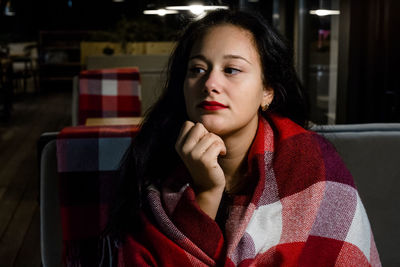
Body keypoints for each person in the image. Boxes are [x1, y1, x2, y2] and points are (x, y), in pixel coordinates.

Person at [103, 9, 381, 266]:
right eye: (197, 70)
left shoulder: (312, 165)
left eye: (231, 70)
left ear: (267, 91)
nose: (210, 84)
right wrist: (206, 191)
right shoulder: (154, 163)